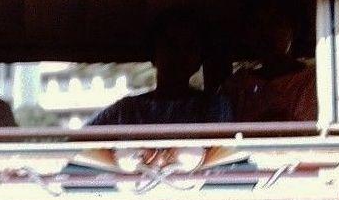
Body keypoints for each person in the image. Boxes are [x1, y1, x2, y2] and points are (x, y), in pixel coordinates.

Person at [87, 11, 234, 126]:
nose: (179, 55)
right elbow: (81, 148)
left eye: (189, 47)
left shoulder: (215, 107)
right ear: (154, 53)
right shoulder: (126, 111)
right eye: (171, 45)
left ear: (199, 59)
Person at [219, 0, 317, 122]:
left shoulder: (313, 81)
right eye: (257, 25)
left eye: (276, 23)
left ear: (294, 29)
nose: (266, 33)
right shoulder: (238, 85)